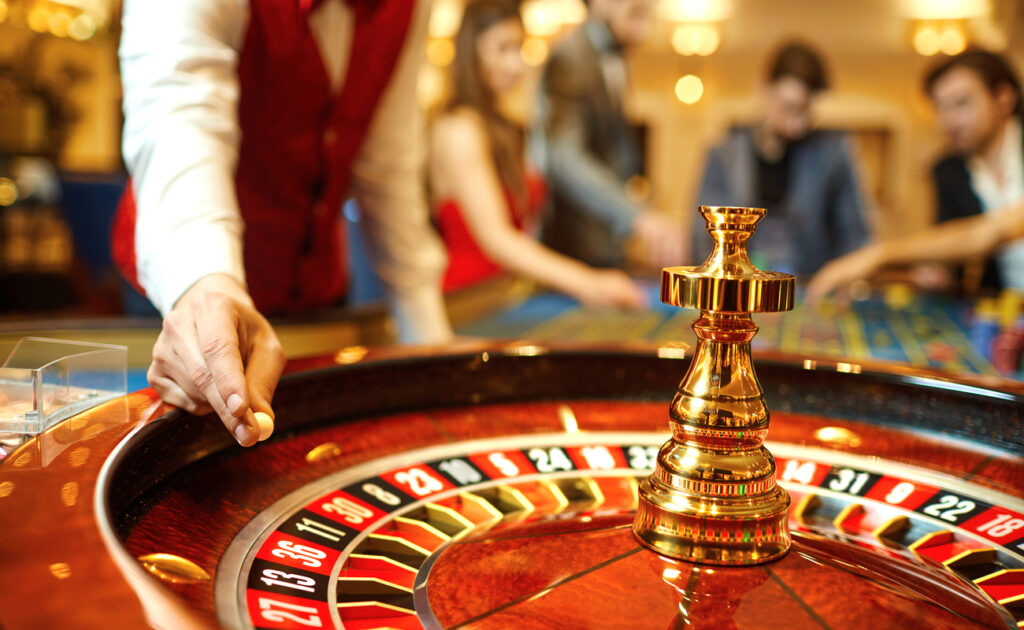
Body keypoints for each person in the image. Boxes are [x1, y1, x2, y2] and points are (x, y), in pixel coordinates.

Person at [113, 0, 452, 446]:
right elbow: (179, 116)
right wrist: (205, 286)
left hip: (316, 290)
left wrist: (431, 346)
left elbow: (387, 162)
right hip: (184, 284)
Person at [430, 0, 646, 309]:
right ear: (470, 51)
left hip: (508, 294)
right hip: (468, 303)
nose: (515, 64)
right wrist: (586, 281)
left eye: (519, 48)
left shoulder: (504, 127)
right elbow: (497, 239)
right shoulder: (459, 129)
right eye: (502, 48)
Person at [807, 50, 1024, 301]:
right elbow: (951, 250)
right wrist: (934, 271)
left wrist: (879, 254)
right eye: (941, 108)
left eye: (962, 103)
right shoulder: (947, 170)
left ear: (1004, 98)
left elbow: (989, 233)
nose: (948, 121)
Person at [693, 42, 871, 276]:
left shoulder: (833, 153)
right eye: (788, 107)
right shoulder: (723, 153)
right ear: (763, 89)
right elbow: (701, 233)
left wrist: (844, 275)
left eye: (805, 111)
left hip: (808, 288)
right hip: (740, 287)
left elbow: (856, 232)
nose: (797, 124)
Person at [533, 0, 685, 271]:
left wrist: (644, 201)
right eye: (637, 14)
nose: (644, 32)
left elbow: (615, 148)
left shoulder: (615, 60)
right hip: (571, 246)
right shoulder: (570, 56)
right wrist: (636, 217)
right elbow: (564, 158)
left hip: (605, 244)